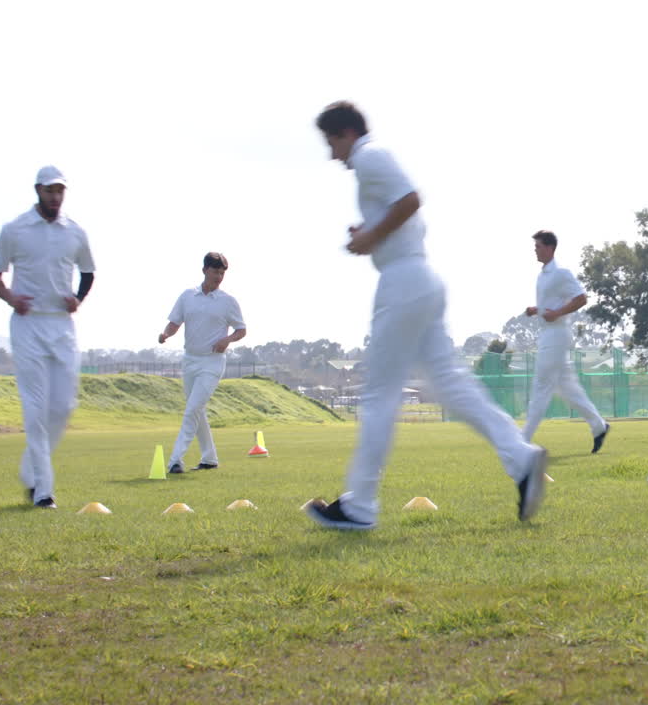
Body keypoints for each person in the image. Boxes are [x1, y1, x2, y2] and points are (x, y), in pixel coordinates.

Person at [305, 101, 548, 530]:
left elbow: (411, 200)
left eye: (331, 143)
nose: (332, 155)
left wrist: (371, 236)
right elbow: (400, 212)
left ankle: (360, 506)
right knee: (453, 386)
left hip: (403, 284)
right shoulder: (372, 160)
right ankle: (521, 457)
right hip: (420, 280)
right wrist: (370, 236)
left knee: (379, 395)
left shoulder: (369, 157)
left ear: (345, 133)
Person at [0, 166, 96, 509]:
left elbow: (89, 271)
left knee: (63, 406)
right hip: (27, 325)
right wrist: (11, 298)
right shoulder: (14, 230)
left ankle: (30, 471)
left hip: (62, 326)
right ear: (38, 190)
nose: (55, 196)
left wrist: (77, 299)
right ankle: (43, 491)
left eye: (60, 190)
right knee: (34, 407)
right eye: (50, 190)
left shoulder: (75, 232)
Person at [157, 252, 247, 474]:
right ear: (205, 270)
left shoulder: (228, 302)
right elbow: (174, 322)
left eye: (222, 273)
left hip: (212, 363)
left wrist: (228, 339)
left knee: (192, 410)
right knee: (197, 411)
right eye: (215, 271)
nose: (219, 276)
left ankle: (175, 460)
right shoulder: (187, 296)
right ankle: (210, 458)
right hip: (190, 361)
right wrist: (166, 334)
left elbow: (241, 330)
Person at [522, 230, 610, 452]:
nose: (535, 250)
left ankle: (522, 442)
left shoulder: (561, 273)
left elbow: (581, 298)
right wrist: (537, 310)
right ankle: (599, 426)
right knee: (570, 390)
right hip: (548, 335)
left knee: (541, 386)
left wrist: (558, 313)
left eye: (539, 246)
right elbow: (550, 306)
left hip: (556, 335)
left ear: (550, 248)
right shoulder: (543, 275)